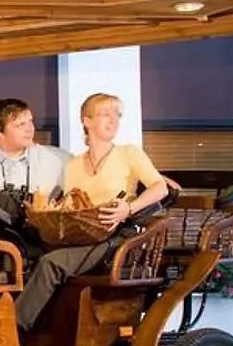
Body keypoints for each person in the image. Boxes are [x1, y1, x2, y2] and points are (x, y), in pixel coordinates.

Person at [15, 93, 171, 333]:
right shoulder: (73, 164)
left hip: (115, 238)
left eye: (117, 115)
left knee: (51, 263)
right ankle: (47, 334)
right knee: (26, 254)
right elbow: (72, 208)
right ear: (86, 121)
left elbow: (159, 187)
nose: (113, 120)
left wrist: (128, 208)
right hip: (83, 236)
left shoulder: (128, 153)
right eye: (105, 114)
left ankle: (15, 331)